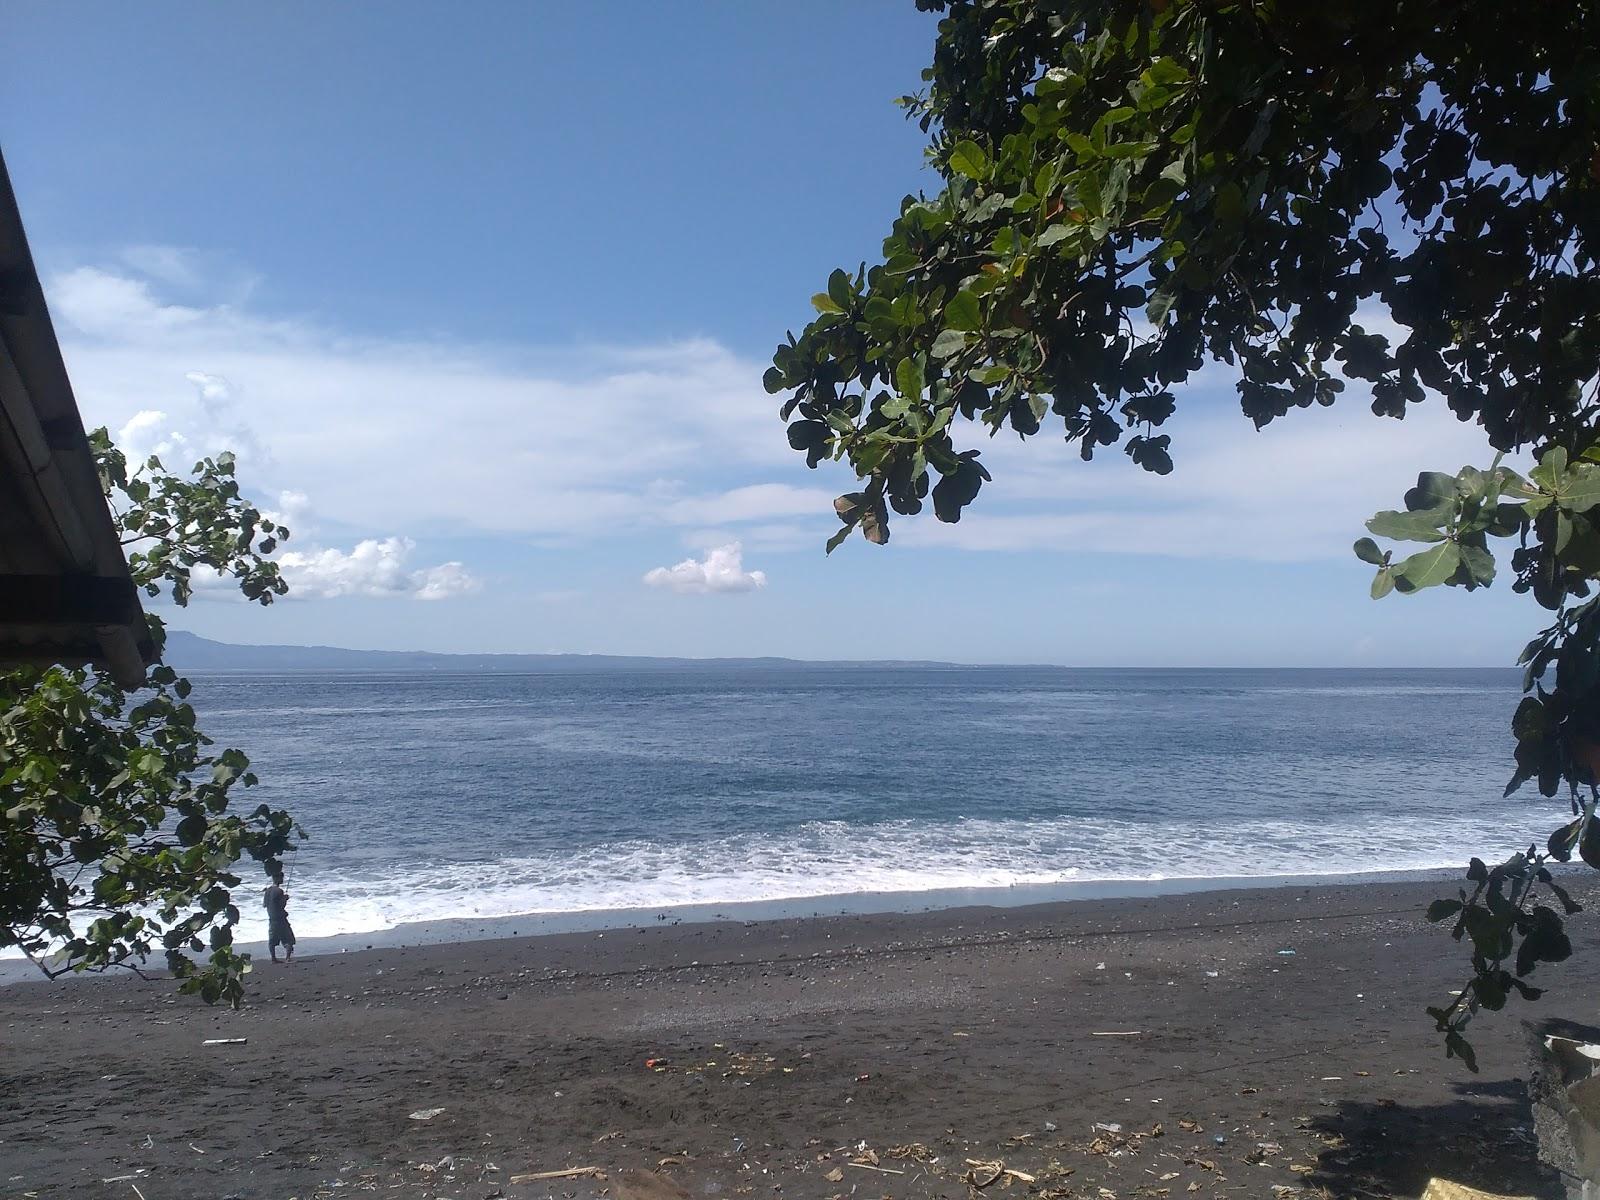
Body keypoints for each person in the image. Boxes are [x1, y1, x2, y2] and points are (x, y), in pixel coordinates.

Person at [264, 865, 296, 963]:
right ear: (276, 878)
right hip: (280, 919)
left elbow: (264, 905)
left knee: (272, 940)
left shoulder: (268, 891)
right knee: (288, 939)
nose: (282, 879)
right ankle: (287, 958)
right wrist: (285, 899)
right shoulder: (279, 891)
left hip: (272, 919)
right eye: (281, 877)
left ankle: (273, 958)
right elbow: (281, 905)